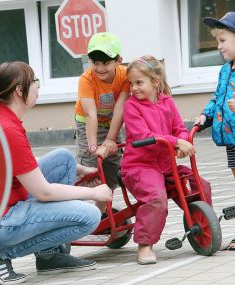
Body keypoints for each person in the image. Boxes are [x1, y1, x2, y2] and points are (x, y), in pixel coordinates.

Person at [0, 61, 113, 285]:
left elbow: (20, 163)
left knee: (64, 160)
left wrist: (78, 170)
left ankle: (49, 256)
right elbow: (44, 193)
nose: (38, 88)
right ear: (20, 90)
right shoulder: (8, 129)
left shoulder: (0, 116)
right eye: (35, 83)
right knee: (89, 216)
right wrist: (94, 193)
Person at [121, 56, 212, 265]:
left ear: (155, 81)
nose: (133, 88)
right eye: (131, 83)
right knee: (156, 198)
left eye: (139, 82)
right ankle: (144, 246)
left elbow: (179, 128)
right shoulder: (132, 107)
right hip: (139, 166)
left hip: (165, 165)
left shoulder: (167, 102)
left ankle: (203, 225)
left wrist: (181, 141)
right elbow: (144, 136)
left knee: (201, 185)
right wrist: (176, 142)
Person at [75, 32, 130, 213]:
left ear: (118, 60)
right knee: (91, 167)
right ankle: (76, 207)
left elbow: (120, 109)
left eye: (105, 63)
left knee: (112, 166)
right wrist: (93, 146)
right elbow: (91, 115)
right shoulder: (86, 79)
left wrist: (110, 140)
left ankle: (103, 212)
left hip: (111, 122)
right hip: (88, 124)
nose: (99, 68)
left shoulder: (124, 76)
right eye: (95, 62)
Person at [195, 11, 235, 250]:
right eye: (217, 41)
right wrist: (206, 116)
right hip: (231, 139)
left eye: (223, 40)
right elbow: (217, 98)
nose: (219, 47)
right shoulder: (225, 70)